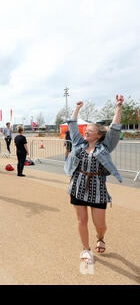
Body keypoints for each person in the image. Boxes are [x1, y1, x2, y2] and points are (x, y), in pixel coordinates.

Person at [65, 95, 124, 265]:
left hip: (98, 189)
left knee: (100, 224)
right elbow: (73, 125)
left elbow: (114, 129)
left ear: (98, 136)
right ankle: (86, 249)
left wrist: (118, 107)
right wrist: (76, 108)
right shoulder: (78, 143)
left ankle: (101, 237)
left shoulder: (105, 146)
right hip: (77, 186)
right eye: (86, 130)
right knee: (81, 220)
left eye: (89, 131)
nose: (85, 132)